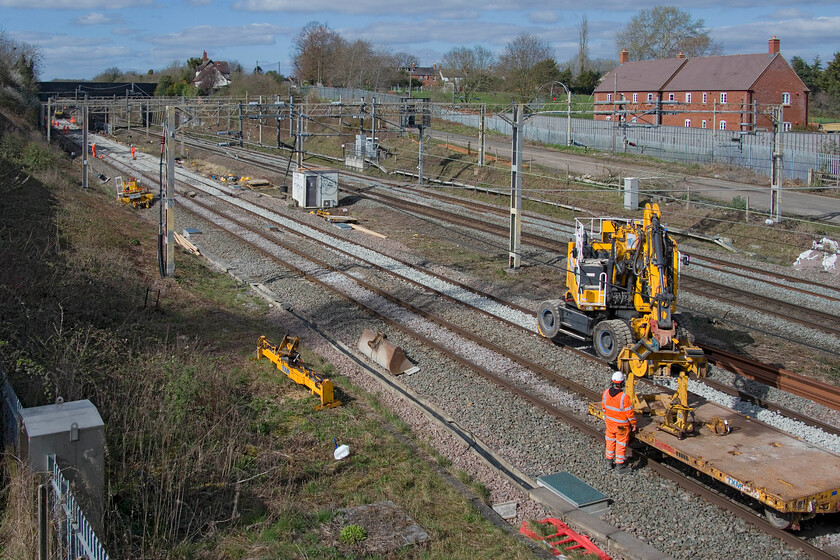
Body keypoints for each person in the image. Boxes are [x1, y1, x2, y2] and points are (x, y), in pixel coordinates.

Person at [601, 371, 637, 474]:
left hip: (610, 424)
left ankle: (609, 462)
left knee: (610, 442)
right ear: (622, 383)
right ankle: (620, 466)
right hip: (621, 426)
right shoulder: (623, 397)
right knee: (621, 444)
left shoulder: (606, 393)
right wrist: (633, 423)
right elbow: (629, 413)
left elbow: (604, 408)